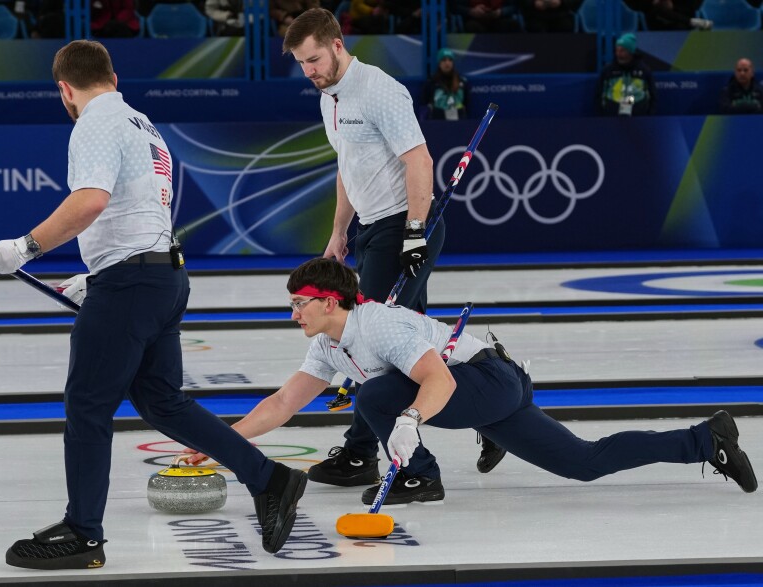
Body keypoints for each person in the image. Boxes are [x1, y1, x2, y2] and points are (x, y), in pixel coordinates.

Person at [0, 40, 307, 570]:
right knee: (160, 400)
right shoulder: (141, 122)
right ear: (112, 75)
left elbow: (90, 201)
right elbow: (136, 213)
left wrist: (26, 247)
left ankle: (84, 534)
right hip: (163, 277)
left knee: (87, 406)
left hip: (133, 284)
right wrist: (96, 275)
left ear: (64, 89)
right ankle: (271, 478)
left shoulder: (93, 123)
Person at [188, 257, 759, 505]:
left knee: (377, 394)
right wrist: (223, 443)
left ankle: (421, 480)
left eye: (299, 303)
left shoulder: (379, 325)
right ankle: (705, 439)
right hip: (488, 390)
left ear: (330, 300)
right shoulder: (327, 343)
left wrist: (410, 425)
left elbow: (436, 381)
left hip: (485, 378)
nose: (293, 313)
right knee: (582, 463)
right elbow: (284, 402)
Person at [281, 8, 505, 500]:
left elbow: (418, 159)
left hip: (401, 227)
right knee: (414, 342)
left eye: (314, 59)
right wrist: (339, 231)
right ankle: (492, 408)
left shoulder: (379, 89)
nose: (309, 71)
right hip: (370, 229)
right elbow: (348, 168)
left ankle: (361, 450)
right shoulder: (329, 99)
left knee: (368, 339)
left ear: (338, 45)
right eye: (301, 63)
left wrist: (414, 231)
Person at [597, 33, 656, 116]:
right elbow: (599, 94)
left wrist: (649, 115)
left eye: (622, 51)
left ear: (631, 52)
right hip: (612, 116)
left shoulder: (644, 70)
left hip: (638, 117)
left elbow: (652, 94)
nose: (618, 54)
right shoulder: (608, 70)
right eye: (617, 50)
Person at [421, 48, 470, 121]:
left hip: (459, 120)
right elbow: (426, 103)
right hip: (437, 120)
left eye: (450, 60)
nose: (447, 63)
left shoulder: (462, 82)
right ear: (439, 63)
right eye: (444, 60)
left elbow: (467, 102)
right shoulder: (431, 83)